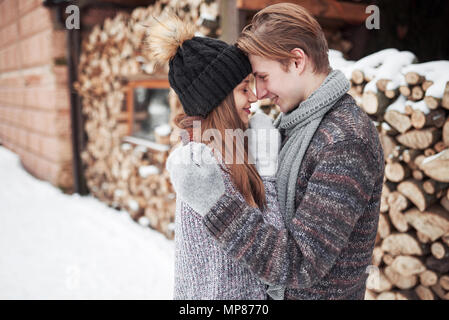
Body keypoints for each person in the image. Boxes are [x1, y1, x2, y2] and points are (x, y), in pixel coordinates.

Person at [169, 3, 385, 300]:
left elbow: (300, 265)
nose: (259, 93)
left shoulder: (345, 140)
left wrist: (216, 205)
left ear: (297, 61)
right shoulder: (295, 122)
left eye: (263, 76)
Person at [148, 14, 283, 299]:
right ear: (218, 99)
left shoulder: (224, 153)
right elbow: (273, 262)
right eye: (243, 89)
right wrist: (268, 171)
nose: (254, 96)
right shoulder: (208, 167)